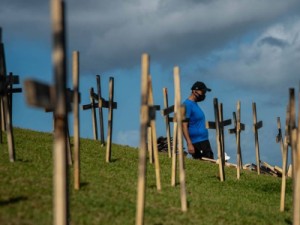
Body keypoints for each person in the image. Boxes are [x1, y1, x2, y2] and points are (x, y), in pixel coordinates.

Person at [182, 81, 214, 159]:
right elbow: (184, 125)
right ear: (194, 91)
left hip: (204, 141)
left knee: (210, 165)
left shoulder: (194, 104)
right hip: (197, 142)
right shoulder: (187, 105)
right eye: (202, 91)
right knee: (206, 167)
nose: (203, 94)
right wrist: (189, 143)